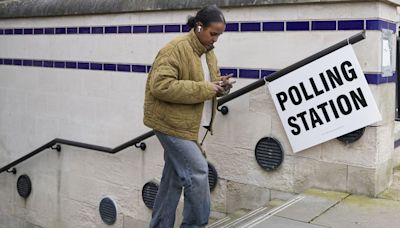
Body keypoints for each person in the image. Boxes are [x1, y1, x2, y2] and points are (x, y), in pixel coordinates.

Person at [143, 5, 233, 228]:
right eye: (213, 34)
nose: (216, 39)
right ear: (199, 27)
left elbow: (208, 83)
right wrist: (206, 88)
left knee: (172, 180)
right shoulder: (175, 49)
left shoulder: (208, 52)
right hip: (169, 124)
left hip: (189, 126)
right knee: (198, 172)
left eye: (219, 35)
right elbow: (160, 86)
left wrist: (221, 86)